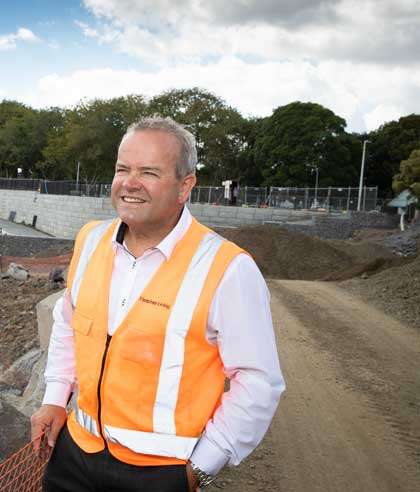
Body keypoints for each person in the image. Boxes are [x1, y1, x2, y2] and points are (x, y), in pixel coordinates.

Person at [31, 116, 285, 491]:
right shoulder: (91, 240)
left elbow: (259, 382)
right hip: (74, 456)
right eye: (123, 169)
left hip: (161, 473)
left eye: (149, 172)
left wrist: (202, 465)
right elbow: (70, 324)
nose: (130, 183)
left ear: (185, 187)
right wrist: (55, 398)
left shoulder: (227, 269)